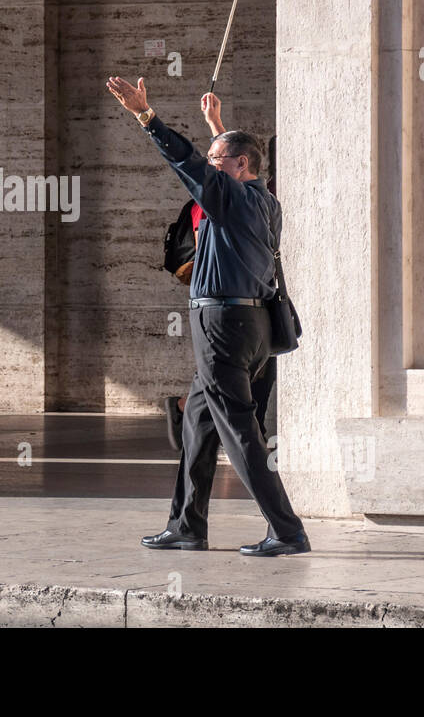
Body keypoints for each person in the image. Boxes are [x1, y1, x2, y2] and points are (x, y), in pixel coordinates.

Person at [105, 74, 310, 557]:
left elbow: (188, 161)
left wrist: (146, 116)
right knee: (198, 425)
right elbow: (223, 160)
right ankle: (186, 525)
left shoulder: (233, 197)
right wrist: (217, 125)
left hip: (223, 326)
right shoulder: (263, 200)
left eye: (219, 161)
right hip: (253, 327)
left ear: (239, 167)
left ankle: (286, 529)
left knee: (239, 430)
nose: (210, 168)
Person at [164, 94, 273, 450]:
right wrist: (146, 116)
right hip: (221, 308)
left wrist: (215, 125)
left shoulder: (257, 198)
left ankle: (186, 415)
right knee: (237, 388)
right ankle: (250, 448)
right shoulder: (217, 199)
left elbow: (233, 172)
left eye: (216, 158)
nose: (211, 164)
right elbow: (219, 173)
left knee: (213, 391)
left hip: (243, 310)